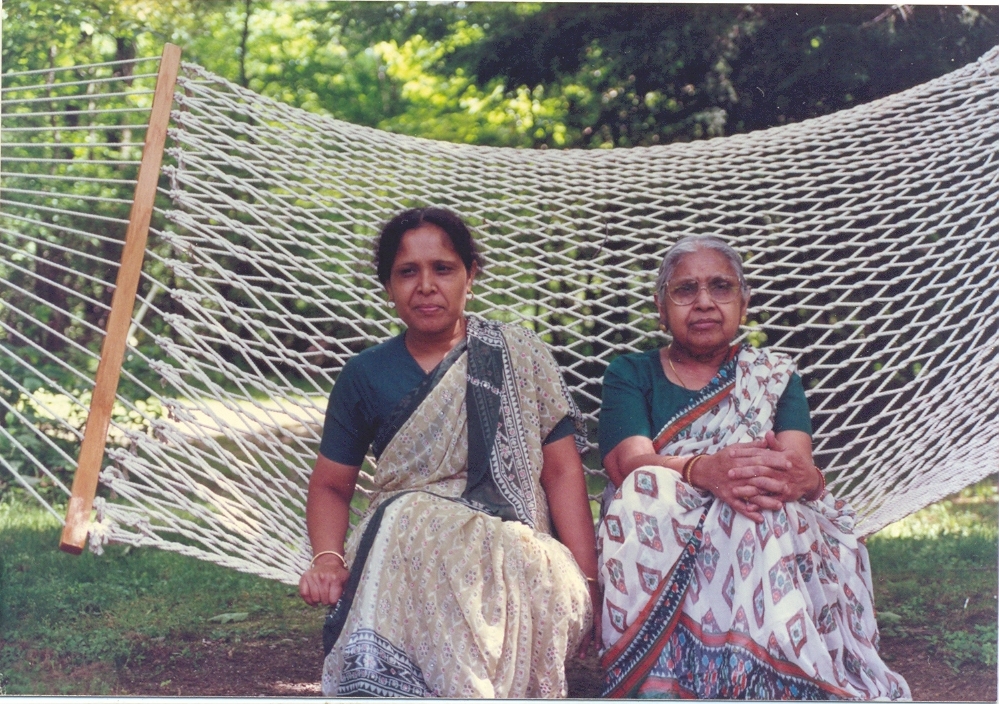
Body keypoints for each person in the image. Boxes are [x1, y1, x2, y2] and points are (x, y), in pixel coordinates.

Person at [298, 206, 599, 698]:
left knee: (422, 522)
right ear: (388, 286)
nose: (426, 285)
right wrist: (328, 560)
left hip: (514, 549)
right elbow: (332, 485)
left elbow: (563, 472)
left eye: (443, 268)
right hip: (403, 550)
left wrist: (588, 581)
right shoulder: (364, 375)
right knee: (408, 512)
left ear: (470, 275)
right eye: (407, 272)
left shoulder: (518, 354)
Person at [596, 235, 910, 700]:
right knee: (644, 491)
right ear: (660, 307)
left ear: (744, 303)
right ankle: (663, 683)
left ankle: (764, 680)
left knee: (759, 510)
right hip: (664, 513)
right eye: (685, 290)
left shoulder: (774, 376)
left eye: (721, 287)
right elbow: (630, 462)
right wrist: (704, 470)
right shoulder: (631, 372)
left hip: (756, 506)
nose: (704, 302)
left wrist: (804, 479)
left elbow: (793, 465)